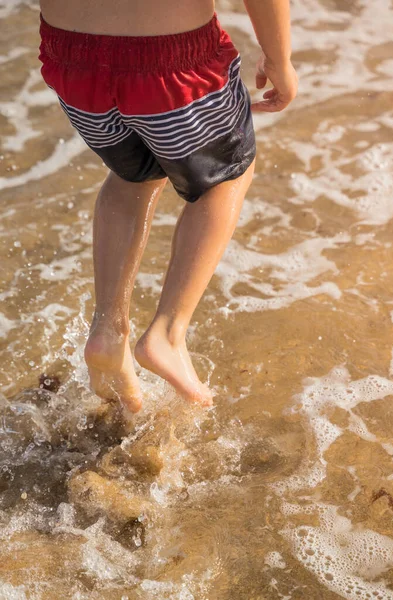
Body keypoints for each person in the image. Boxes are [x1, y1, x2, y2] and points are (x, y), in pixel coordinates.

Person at [38, 0, 298, 413]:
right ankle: (167, 335)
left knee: (133, 176)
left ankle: (108, 328)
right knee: (227, 177)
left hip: (70, 59)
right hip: (174, 64)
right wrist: (279, 58)